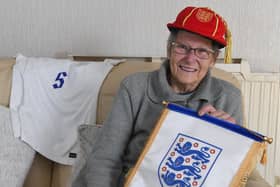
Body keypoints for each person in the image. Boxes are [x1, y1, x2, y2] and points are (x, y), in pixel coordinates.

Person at [74, 6, 271, 187]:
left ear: (213, 60)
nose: (190, 58)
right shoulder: (135, 86)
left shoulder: (229, 96)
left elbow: (230, 169)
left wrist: (227, 136)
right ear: (169, 49)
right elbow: (105, 157)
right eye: (182, 47)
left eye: (202, 51)